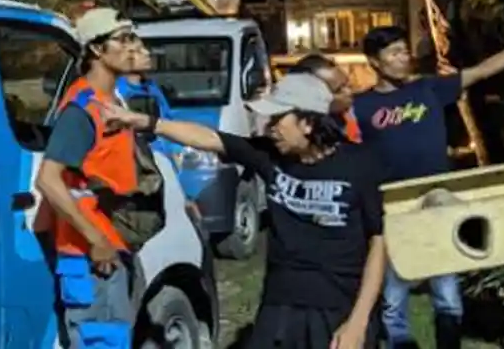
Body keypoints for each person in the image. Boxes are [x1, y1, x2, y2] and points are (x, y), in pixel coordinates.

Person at [103, 71, 386, 348]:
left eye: (278, 119)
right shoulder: (269, 155)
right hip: (279, 307)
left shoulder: (360, 165)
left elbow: (378, 242)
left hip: (338, 309)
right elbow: (209, 138)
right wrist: (146, 121)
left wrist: (358, 322)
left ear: (308, 123)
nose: (268, 127)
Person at [353, 24, 504, 348]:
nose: (404, 58)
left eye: (405, 51)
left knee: (447, 296)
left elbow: (482, 71)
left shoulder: (429, 90)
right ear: (375, 62)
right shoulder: (361, 106)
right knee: (393, 299)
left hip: (437, 205)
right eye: (395, 54)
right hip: (394, 214)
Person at [35, 7, 163, 349]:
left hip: (109, 248)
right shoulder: (82, 109)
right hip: (93, 256)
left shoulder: (108, 101)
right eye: (123, 39)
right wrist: (95, 239)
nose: (132, 46)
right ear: (96, 49)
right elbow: (48, 179)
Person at [292, 54, 360, 143]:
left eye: (348, 85)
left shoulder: (358, 114)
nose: (349, 92)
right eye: (338, 90)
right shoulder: (299, 138)